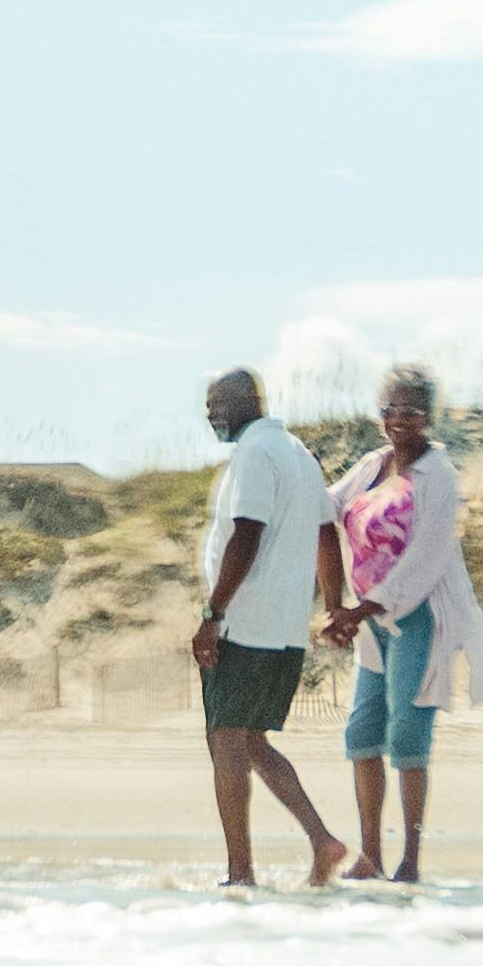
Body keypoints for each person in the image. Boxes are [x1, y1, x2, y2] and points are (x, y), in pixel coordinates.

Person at [330, 358, 483, 883]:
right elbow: (329, 508)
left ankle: (410, 860)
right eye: (391, 409)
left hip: (420, 616)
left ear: (429, 415)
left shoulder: (438, 475)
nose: (400, 420)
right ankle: (369, 854)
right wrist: (339, 605)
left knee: (407, 735)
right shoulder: (371, 464)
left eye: (411, 410)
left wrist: (360, 608)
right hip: (371, 623)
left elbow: (425, 560)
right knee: (362, 732)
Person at [189, 366, 352, 888]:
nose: (209, 414)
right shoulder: (300, 454)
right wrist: (333, 604)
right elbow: (327, 534)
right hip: (282, 630)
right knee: (252, 742)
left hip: (246, 625)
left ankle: (241, 874)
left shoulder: (256, 454)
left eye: (216, 403)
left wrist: (214, 614)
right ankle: (323, 842)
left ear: (246, 401)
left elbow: (246, 534)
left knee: (226, 742)